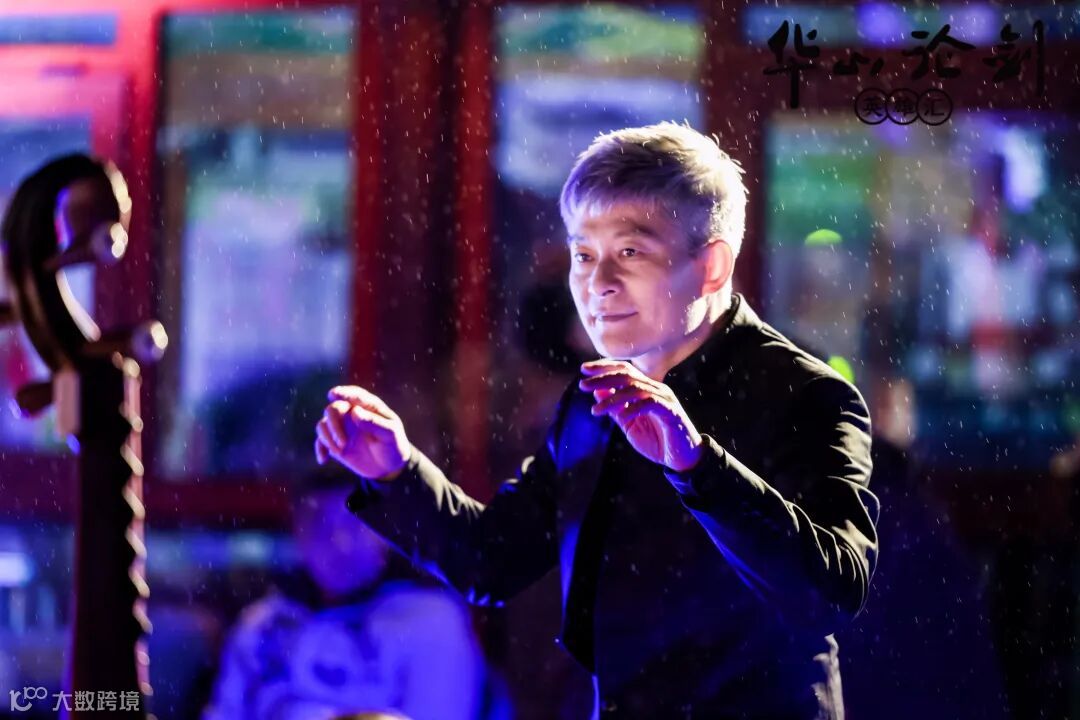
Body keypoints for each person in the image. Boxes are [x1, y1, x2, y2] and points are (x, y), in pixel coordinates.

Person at [315, 122, 880, 718]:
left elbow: (832, 591)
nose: (597, 284)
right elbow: (493, 560)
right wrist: (395, 469)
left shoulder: (804, 394)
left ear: (712, 266)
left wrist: (696, 463)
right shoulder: (593, 399)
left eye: (630, 252)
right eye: (583, 255)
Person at [202, 466, 489, 720]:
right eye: (320, 524)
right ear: (297, 530)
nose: (339, 542)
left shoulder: (431, 622)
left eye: (354, 524)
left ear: (386, 531)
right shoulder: (262, 625)